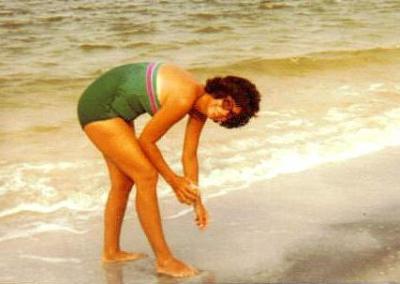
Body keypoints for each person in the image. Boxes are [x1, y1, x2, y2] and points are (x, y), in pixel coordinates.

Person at [77, 62, 260, 277]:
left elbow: (189, 155)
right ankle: (164, 260)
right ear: (221, 91)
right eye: (227, 105)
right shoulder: (185, 97)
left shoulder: (200, 108)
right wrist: (173, 181)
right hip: (99, 108)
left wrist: (197, 202)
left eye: (230, 117)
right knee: (146, 175)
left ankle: (111, 251)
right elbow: (147, 141)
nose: (223, 114)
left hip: (116, 111)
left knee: (124, 182)